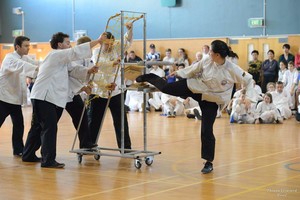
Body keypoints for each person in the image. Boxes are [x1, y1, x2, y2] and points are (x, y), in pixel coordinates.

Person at [136, 40, 253, 174]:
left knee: (206, 130)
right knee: (167, 88)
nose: (209, 53)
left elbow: (249, 80)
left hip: (213, 100)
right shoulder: (207, 60)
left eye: (211, 52)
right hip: (196, 88)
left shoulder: (232, 69)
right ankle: (149, 76)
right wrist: (179, 73)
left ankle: (208, 162)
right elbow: (194, 69)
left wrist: (249, 97)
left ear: (218, 55)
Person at [22, 32, 106, 168]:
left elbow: (73, 70)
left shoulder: (62, 60)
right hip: (44, 97)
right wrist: (98, 41)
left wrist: (88, 71)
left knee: (39, 126)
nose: (69, 45)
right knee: (49, 128)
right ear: (59, 44)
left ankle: (28, 154)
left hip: (47, 97)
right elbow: (75, 52)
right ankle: (48, 160)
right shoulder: (56, 54)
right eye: (67, 42)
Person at [89, 23, 133, 151]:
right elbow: (99, 65)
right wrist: (113, 62)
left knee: (121, 121)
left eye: (110, 43)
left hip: (116, 90)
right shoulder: (95, 51)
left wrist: (130, 30)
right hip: (100, 90)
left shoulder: (116, 49)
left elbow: (127, 40)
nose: (108, 46)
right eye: (105, 43)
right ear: (101, 42)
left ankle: (125, 147)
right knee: (94, 120)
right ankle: (90, 145)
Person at [0, 36, 39, 156]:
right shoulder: (10, 58)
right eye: (26, 46)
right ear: (17, 47)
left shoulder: (25, 58)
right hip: (4, 98)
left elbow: (36, 63)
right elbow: (23, 66)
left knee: (19, 125)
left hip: (15, 100)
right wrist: (39, 69)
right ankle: (18, 149)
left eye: (29, 45)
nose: (28, 48)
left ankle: (18, 150)